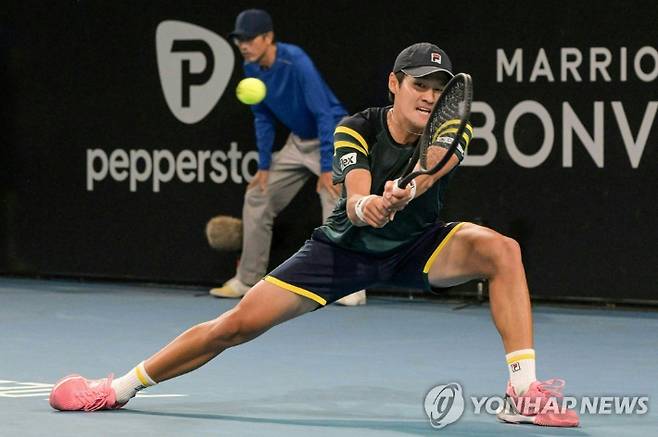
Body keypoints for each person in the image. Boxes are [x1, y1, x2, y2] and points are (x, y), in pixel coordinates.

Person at [49, 42, 579, 427]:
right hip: (341, 253)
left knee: (501, 250)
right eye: (419, 85)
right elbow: (355, 196)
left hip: (419, 245)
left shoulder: (450, 126)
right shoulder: (355, 127)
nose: (429, 97)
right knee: (233, 326)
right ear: (394, 85)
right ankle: (116, 389)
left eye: (438, 90)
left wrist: (407, 194)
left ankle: (524, 391)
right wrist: (372, 205)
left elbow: (434, 168)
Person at [210, 9, 366, 306]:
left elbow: (322, 113)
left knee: (335, 199)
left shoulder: (296, 60)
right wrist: (265, 166)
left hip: (333, 134)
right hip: (297, 142)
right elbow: (263, 117)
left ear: (268, 38)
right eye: (239, 40)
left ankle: (348, 286)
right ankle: (247, 279)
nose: (243, 45)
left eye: (249, 39)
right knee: (258, 194)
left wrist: (325, 165)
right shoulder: (252, 68)